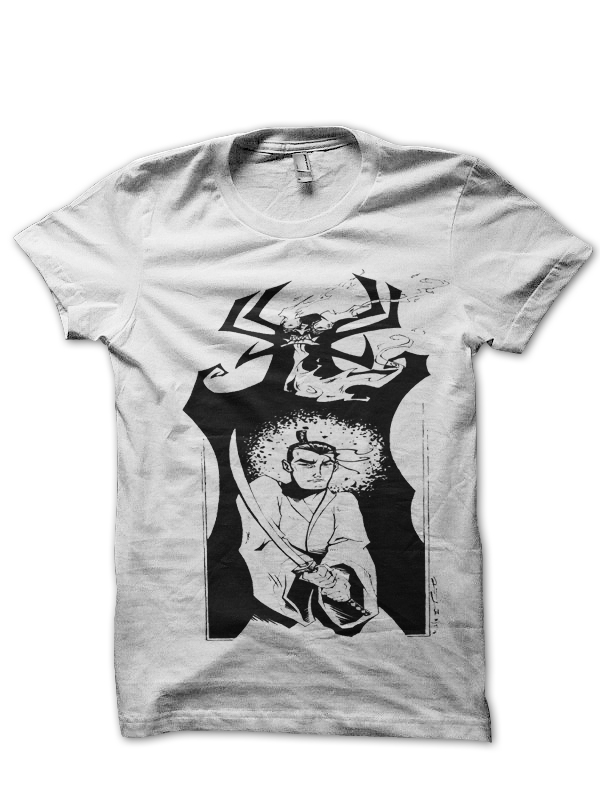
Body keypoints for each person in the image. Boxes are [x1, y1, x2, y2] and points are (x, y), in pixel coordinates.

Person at [238, 429, 378, 633]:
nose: (318, 473)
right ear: (288, 466)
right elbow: (260, 544)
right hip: (284, 581)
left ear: (335, 467)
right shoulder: (269, 493)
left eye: (326, 464)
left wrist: (337, 576)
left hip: (329, 580)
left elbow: (350, 544)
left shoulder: (343, 500)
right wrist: (301, 571)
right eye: (306, 464)